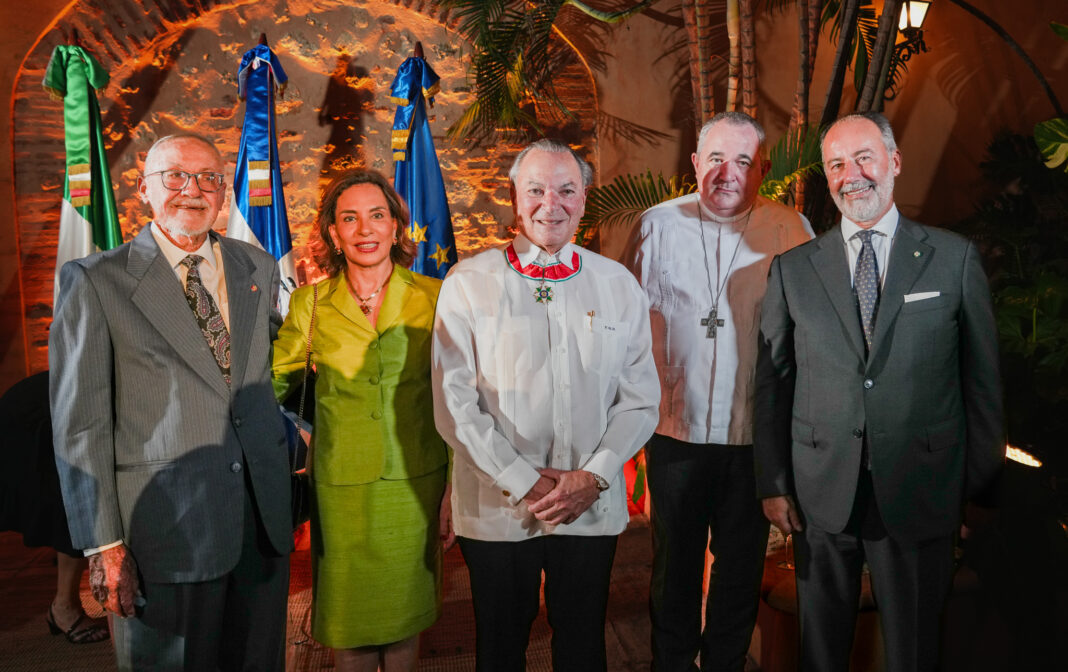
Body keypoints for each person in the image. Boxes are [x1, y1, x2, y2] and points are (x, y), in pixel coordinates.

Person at [753, 112, 1004, 672]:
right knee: (820, 653)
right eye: (837, 164)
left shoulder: (953, 258)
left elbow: (981, 385)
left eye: (864, 157)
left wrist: (980, 492)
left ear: (894, 162)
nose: (851, 175)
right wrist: (772, 482)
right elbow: (773, 384)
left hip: (922, 488)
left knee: (915, 652)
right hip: (821, 493)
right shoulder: (794, 270)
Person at [50, 132, 293, 671]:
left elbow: (268, 376)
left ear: (224, 193)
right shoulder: (97, 281)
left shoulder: (257, 266)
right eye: (175, 176)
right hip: (165, 534)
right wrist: (104, 544)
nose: (193, 189)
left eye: (208, 177)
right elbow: (80, 424)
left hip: (261, 525)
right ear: (143, 189)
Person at [432, 138, 660, 672]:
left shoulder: (618, 285)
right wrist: (524, 480)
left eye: (565, 190)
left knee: (583, 642)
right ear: (515, 198)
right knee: (500, 644)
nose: (549, 203)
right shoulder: (468, 283)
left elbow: (640, 396)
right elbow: (454, 401)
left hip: (588, 503)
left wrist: (594, 476)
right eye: (535, 190)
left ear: (583, 201)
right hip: (498, 505)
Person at [625, 111, 814, 672]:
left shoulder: (792, 229)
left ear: (763, 169)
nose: (726, 173)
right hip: (674, 431)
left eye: (741, 161)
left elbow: (812, 338)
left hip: (755, 437)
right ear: (694, 165)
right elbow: (626, 325)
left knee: (738, 572)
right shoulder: (656, 224)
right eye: (714, 159)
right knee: (673, 570)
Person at [272, 170, 450, 671]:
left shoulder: (435, 296)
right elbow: (274, 382)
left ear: (397, 227)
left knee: (403, 620)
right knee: (349, 627)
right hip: (341, 485)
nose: (365, 229)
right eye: (350, 218)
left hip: (415, 482)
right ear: (333, 232)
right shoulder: (310, 304)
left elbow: (459, 397)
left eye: (377, 215)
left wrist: (457, 486)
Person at [0, 372, 108, 644]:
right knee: (76, 501)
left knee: (80, 499)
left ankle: (64, 606)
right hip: (37, 417)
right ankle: (64, 608)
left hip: (65, 411)